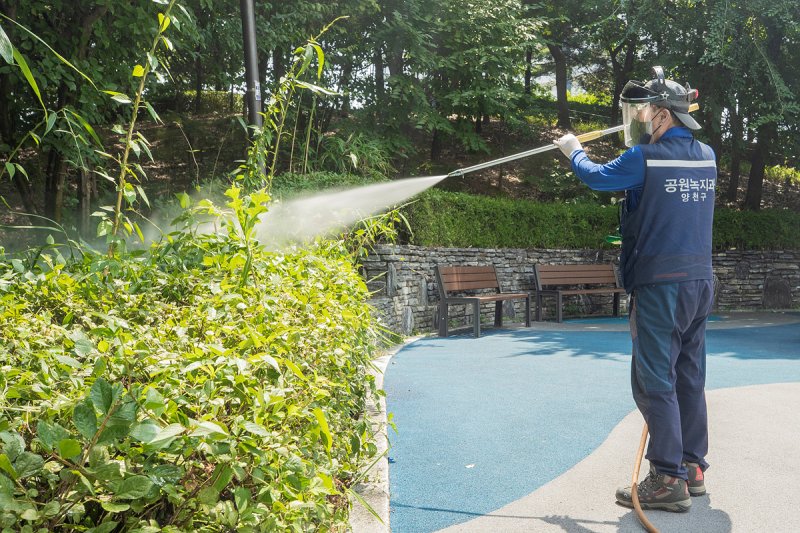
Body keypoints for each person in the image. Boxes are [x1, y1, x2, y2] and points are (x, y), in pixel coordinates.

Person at [553, 66, 716, 513]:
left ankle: (667, 479)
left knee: (653, 380)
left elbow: (598, 177)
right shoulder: (707, 156)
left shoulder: (644, 158)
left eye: (641, 111)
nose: (637, 120)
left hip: (660, 287)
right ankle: (692, 468)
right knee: (689, 375)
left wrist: (573, 152)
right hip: (700, 283)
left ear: (662, 115)